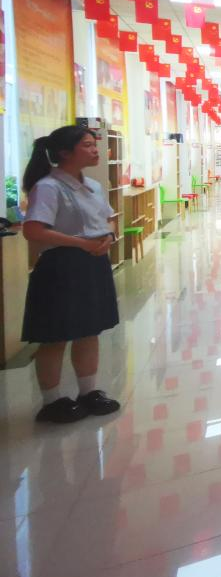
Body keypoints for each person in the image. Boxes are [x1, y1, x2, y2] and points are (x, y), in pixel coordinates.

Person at [20, 126, 122, 424]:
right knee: (55, 336)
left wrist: (108, 236)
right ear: (65, 152)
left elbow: (108, 219)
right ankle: (52, 401)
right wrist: (82, 243)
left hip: (93, 263)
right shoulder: (48, 187)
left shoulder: (93, 186)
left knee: (90, 330)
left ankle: (88, 392)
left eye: (94, 144)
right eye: (87, 145)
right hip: (61, 267)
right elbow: (33, 230)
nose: (95, 150)